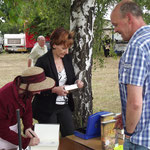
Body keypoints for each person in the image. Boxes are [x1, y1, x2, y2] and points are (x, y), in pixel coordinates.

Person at [111, 0, 150, 149]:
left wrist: (129, 132)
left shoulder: (136, 47)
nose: (115, 30)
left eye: (115, 25)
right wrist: (127, 117)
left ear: (128, 18)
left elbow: (134, 103)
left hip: (140, 140)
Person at [32, 27, 84, 137]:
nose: (67, 51)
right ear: (54, 44)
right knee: (50, 141)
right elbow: (35, 88)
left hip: (64, 106)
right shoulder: (42, 61)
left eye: (68, 48)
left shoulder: (67, 58)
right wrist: (54, 90)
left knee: (70, 137)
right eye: (64, 48)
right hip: (47, 108)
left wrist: (76, 82)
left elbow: (70, 78)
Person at [0, 66, 55, 149]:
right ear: (27, 86)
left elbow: (27, 109)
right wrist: (25, 142)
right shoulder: (4, 97)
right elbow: (2, 130)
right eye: (38, 88)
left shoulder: (27, 91)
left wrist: (28, 127)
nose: (39, 92)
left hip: (12, 129)